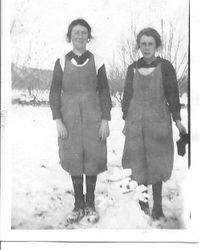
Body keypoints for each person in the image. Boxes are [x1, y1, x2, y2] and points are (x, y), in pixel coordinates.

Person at [49, 18, 112, 224]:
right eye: (76, 32)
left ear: (88, 36)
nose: (79, 36)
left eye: (83, 32)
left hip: (93, 117)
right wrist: (58, 120)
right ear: (70, 36)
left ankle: (90, 204)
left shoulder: (99, 61)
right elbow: (53, 93)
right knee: (74, 158)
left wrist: (105, 120)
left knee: (92, 159)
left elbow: (104, 92)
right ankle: (78, 204)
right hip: (69, 118)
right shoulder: (61, 61)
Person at [121, 27, 187, 220]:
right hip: (136, 121)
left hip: (158, 121)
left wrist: (177, 120)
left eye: (151, 44)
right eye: (143, 44)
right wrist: (127, 117)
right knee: (137, 164)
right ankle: (143, 208)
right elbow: (127, 96)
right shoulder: (132, 68)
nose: (147, 47)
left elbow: (173, 95)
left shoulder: (166, 66)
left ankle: (157, 209)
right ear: (139, 46)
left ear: (157, 45)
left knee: (157, 164)